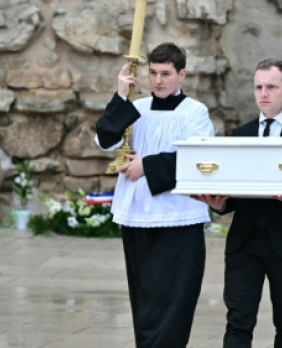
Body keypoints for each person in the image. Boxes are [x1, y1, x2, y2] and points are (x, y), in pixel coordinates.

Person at [194, 59, 282, 348]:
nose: (263, 93)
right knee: (238, 321)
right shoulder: (242, 134)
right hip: (244, 243)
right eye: (259, 87)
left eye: (271, 87)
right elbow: (233, 196)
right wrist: (217, 204)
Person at [93, 42, 214, 347]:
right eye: (153, 73)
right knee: (145, 301)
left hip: (180, 218)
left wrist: (147, 165)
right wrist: (121, 95)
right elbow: (104, 140)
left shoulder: (195, 112)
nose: (158, 80)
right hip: (138, 215)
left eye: (166, 73)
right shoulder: (137, 107)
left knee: (174, 301)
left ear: (181, 74)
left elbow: (200, 160)